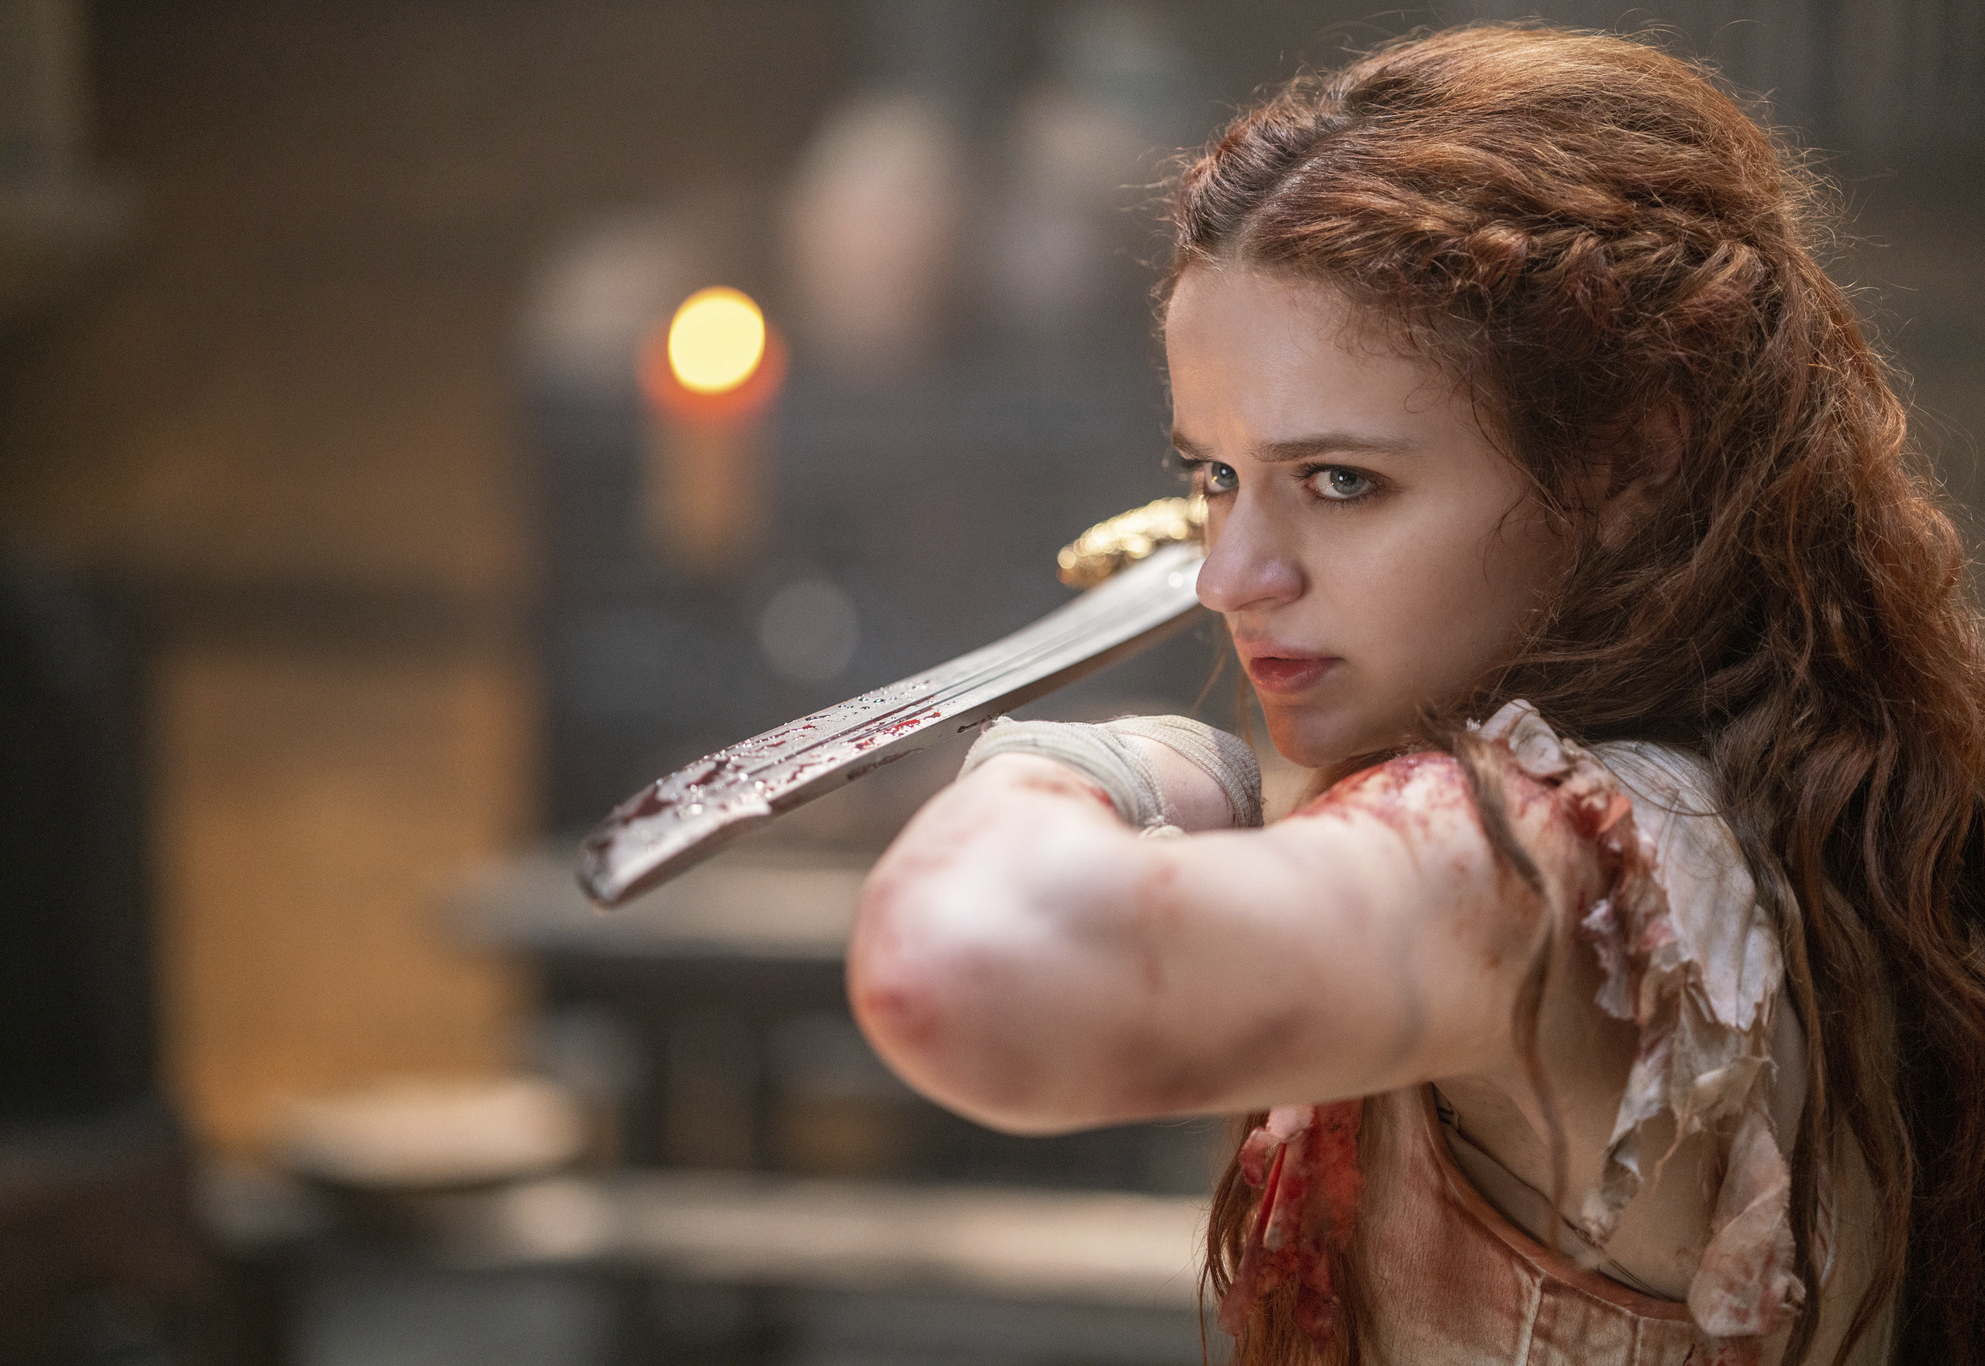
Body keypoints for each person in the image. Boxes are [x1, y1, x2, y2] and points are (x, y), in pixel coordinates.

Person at [843, 25, 1985, 1366]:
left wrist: (1104, 768)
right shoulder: (1774, 774)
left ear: (1629, 466)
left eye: (1342, 481)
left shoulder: (1542, 859)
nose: (1228, 577)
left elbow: (963, 974)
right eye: (1214, 477)